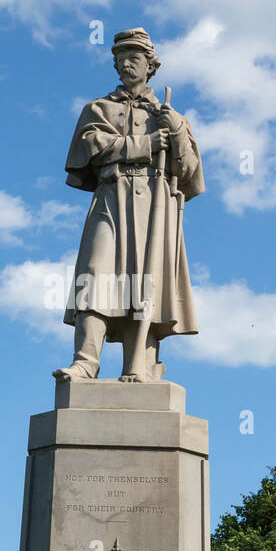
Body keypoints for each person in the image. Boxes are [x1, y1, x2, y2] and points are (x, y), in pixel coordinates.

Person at [53, 28, 203, 382]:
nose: (124, 64)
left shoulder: (171, 116)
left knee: (146, 284)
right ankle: (85, 361)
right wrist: (145, 143)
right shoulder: (98, 109)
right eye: (119, 59)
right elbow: (90, 147)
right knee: (94, 275)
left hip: (155, 205)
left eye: (133, 57)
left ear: (150, 65)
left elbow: (191, 175)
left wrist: (177, 134)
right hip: (111, 198)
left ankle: (140, 366)